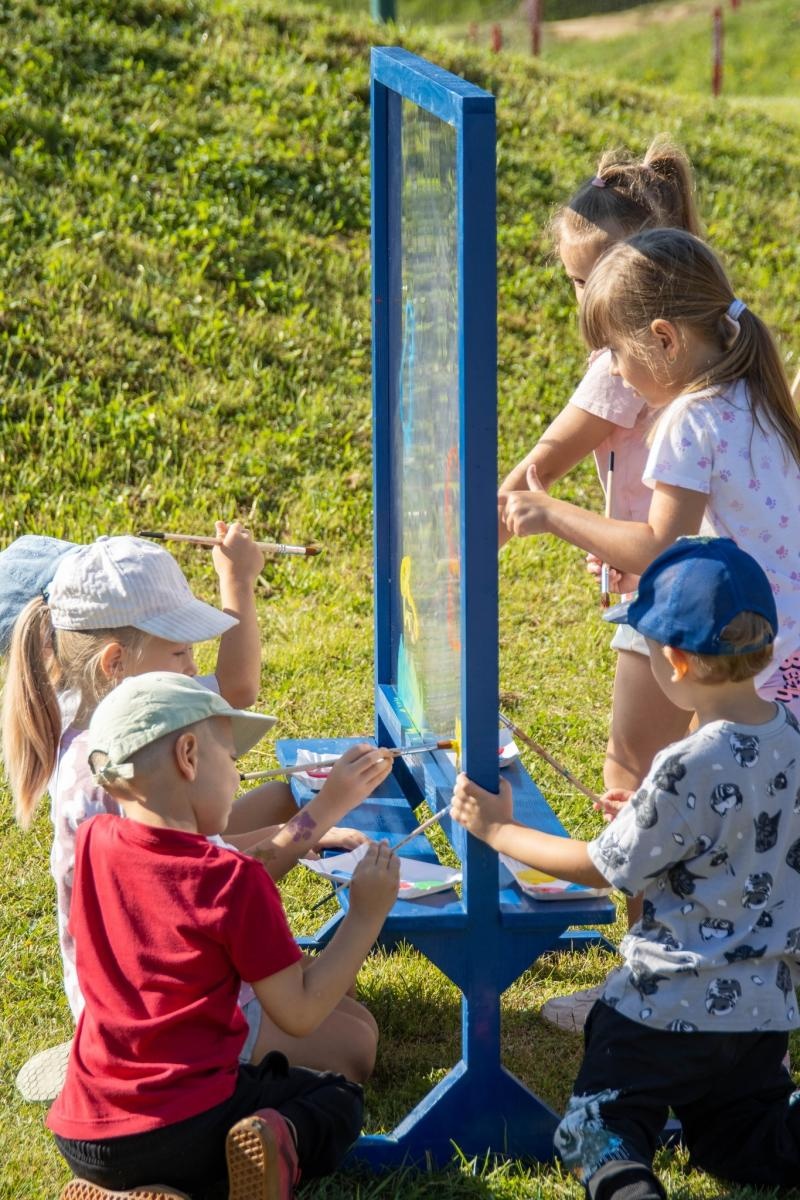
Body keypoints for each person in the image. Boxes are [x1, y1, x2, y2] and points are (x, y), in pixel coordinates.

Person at [452, 537, 800, 1198]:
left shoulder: (684, 764)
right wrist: (646, 811)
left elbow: (598, 866)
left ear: (674, 660)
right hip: (761, 1014)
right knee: (747, 1142)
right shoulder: (791, 740)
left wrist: (497, 828)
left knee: (596, 1127)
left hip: (661, 1009)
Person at [1, 532, 379, 1084]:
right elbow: (222, 880)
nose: (191, 666)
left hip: (162, 970)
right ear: (115, 663)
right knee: (357, 1046)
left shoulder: (109, 709)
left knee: (351, 1014)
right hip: (157, 1013)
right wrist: (320, 814)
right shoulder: (110, 778)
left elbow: (205, 856)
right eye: (180, 652)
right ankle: (222, 1094)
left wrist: (305, 826)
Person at [47, 672, 400, 1200]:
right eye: (232, 760)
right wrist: (366, 916)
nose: (238, 777)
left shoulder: (97, 841)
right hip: (182, 1125)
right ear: (189, 756)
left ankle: (142, 1190)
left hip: (83, 1130)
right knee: (337, 1100)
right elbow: (301, 1013)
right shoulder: (234, 881)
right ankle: (256, 1161)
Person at [501, 229, 800, 724]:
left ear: (664, 339)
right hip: (784, 651)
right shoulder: (752, 394)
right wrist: (636, 562)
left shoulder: (689, 419)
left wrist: (552, 513)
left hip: (756, 661)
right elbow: (715, 539)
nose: (614, 371)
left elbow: (660, 544)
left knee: (724, 768)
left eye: (614, 352)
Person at [499, 138, 703, 797]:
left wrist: (463, 557)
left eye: (594, 282)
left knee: (632, 774)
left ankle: (643, 872)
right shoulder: (704, 338)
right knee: (698, 763)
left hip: (669, 589)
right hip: (712, 579)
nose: (585, 301)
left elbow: (536, 472)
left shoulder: (622, 366)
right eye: (575, 283)